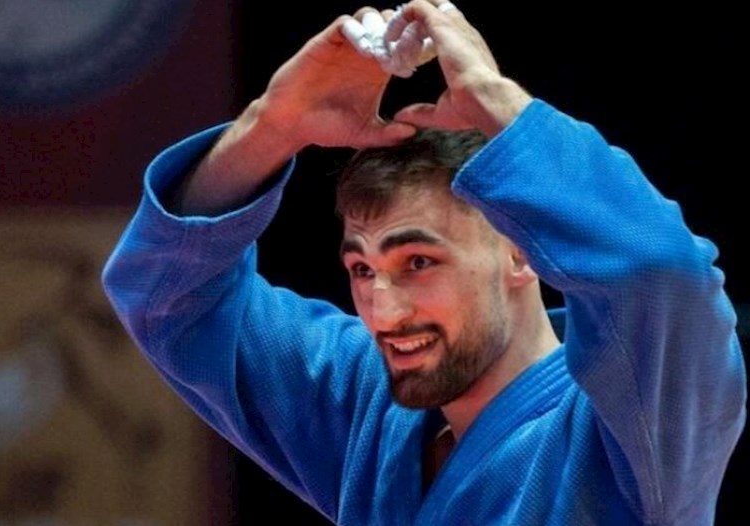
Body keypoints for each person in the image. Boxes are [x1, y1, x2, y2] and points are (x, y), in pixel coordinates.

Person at [101, 1, 747, 524]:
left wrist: (500, 104)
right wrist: (274, 125)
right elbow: (168, 296)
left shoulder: (632, 430)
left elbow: (665, 277)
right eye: (363, 269)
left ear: (521, 251)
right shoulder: (370, 410)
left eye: (418, 262)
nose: (383, 312)